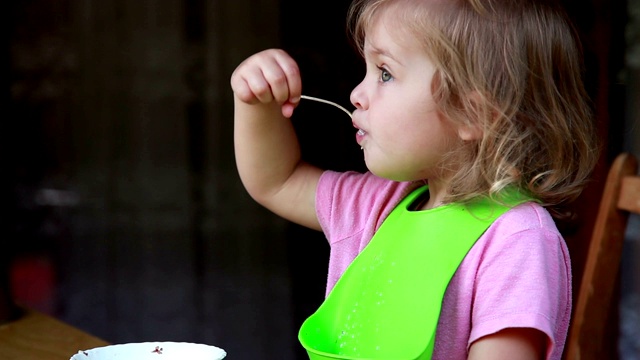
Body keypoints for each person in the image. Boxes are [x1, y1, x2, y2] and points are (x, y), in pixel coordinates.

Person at [230, 0, 598, 358]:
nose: (357, 94)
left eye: (385, 73)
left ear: (471, 113)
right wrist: (255, 103)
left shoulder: (516, 239)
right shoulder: (378, 206)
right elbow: (276, 181)